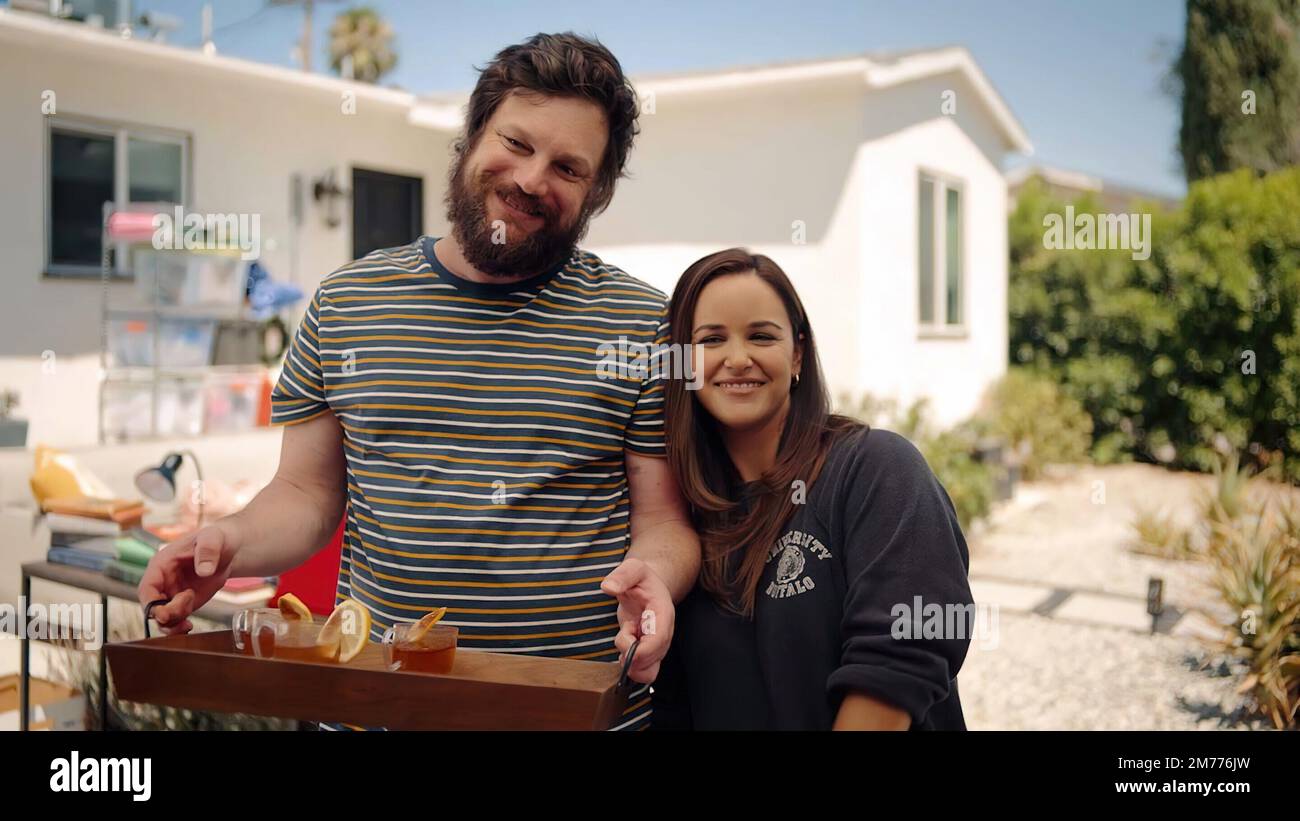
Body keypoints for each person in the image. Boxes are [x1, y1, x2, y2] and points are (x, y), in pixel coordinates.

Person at [139, 33, 700, 731]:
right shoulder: (347, 301)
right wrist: (229, 542)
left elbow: (663, 522)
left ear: (597, 193)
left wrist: (659, 576)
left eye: (567, 167)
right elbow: (307, 493)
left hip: (577, 712)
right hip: (377, 709)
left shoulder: (643, 323)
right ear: (470, 137)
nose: (531, 179)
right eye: (517, 143)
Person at [650, 248, 974, 730]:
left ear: (797, 353)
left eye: (761, 336)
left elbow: (897, 663)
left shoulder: (875, 469)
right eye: (711, 339)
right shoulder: (684, 517)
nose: (737, 359)